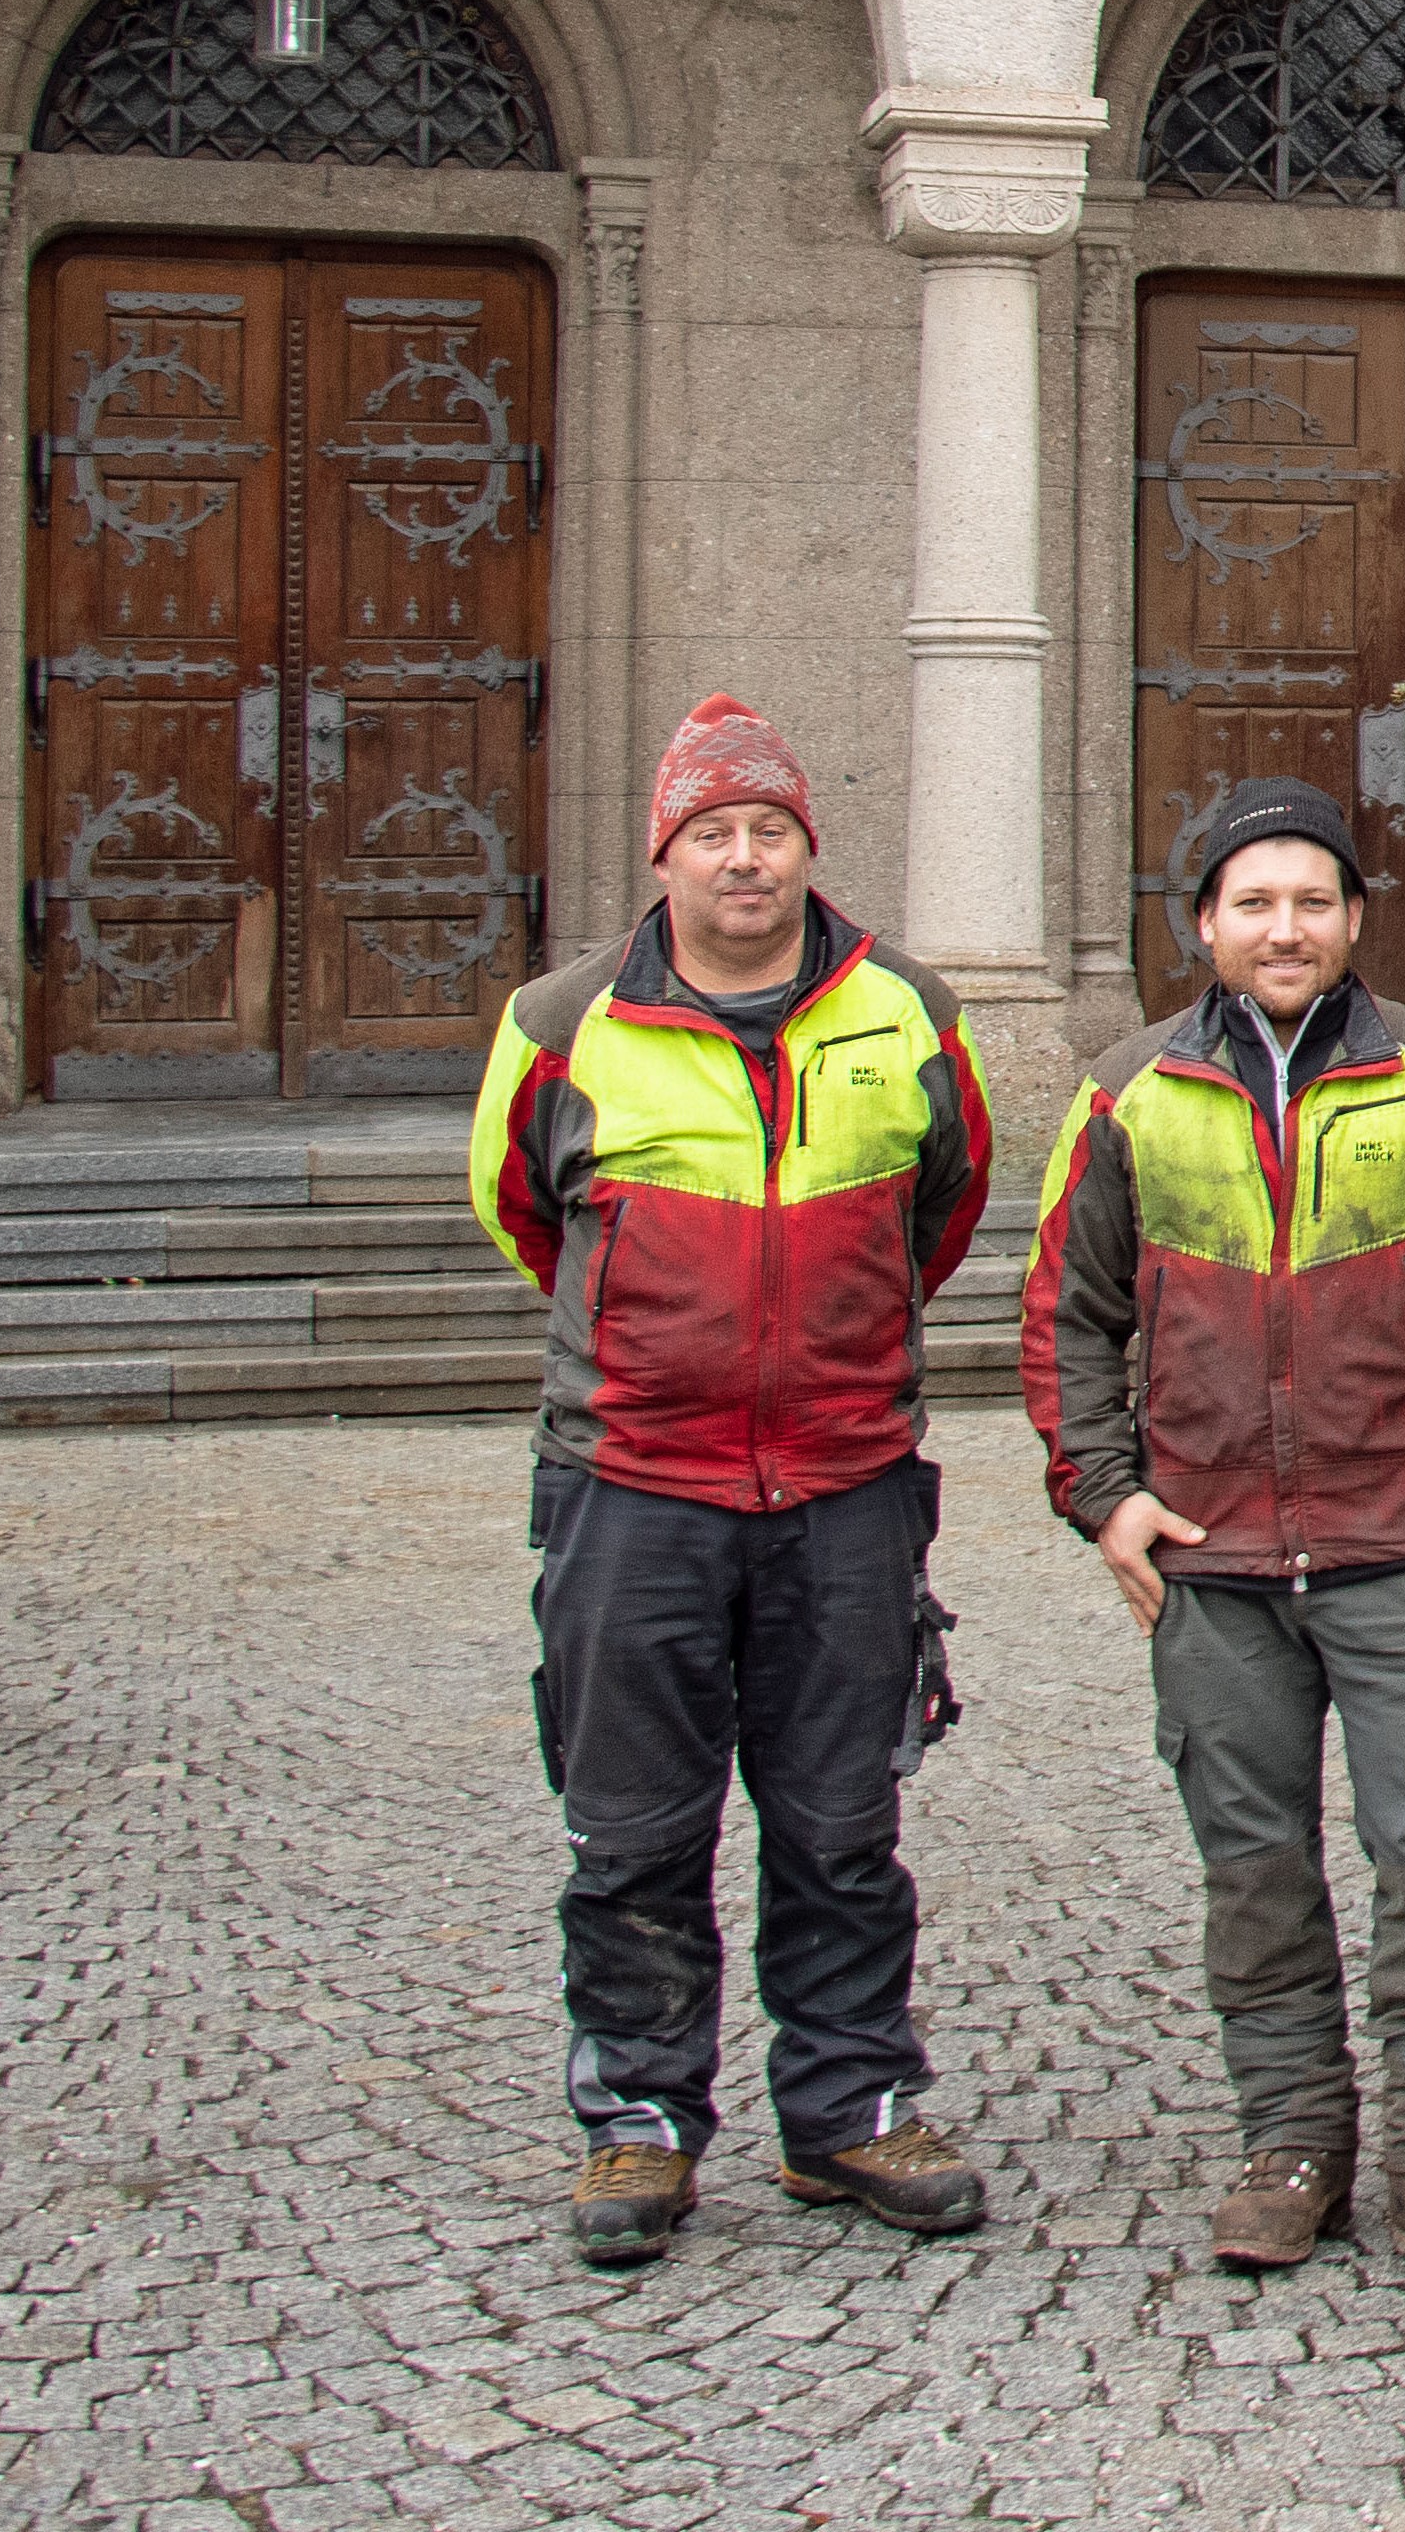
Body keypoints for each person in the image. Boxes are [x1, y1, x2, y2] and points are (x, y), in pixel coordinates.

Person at [1023, 777, 1405, 2297]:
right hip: (1209, 1553)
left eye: (1314, 900)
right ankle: (1291, 2143)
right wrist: (1105, 1492)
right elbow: (1066, 1312)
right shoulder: (1129, 1093)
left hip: (1403, 1540)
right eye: (1255, 902)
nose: (1287, 928)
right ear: (1203, 923)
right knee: (1255, 1870)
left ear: (1353, 919)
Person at [467, 694, 998, 2269]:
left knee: (841, 1822)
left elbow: (944, 1203)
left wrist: (825, 1347)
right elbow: (522, 1211)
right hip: (634, 1484)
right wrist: (663, 1344)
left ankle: (850, 2111)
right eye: (714, 834)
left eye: (770, 830)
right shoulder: (562, 1023)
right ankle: (639, 2120)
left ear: (807, 848)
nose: (745, 859)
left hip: (845, 1481)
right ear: (667, 855)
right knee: (631, 1828)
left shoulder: (907, 1010)